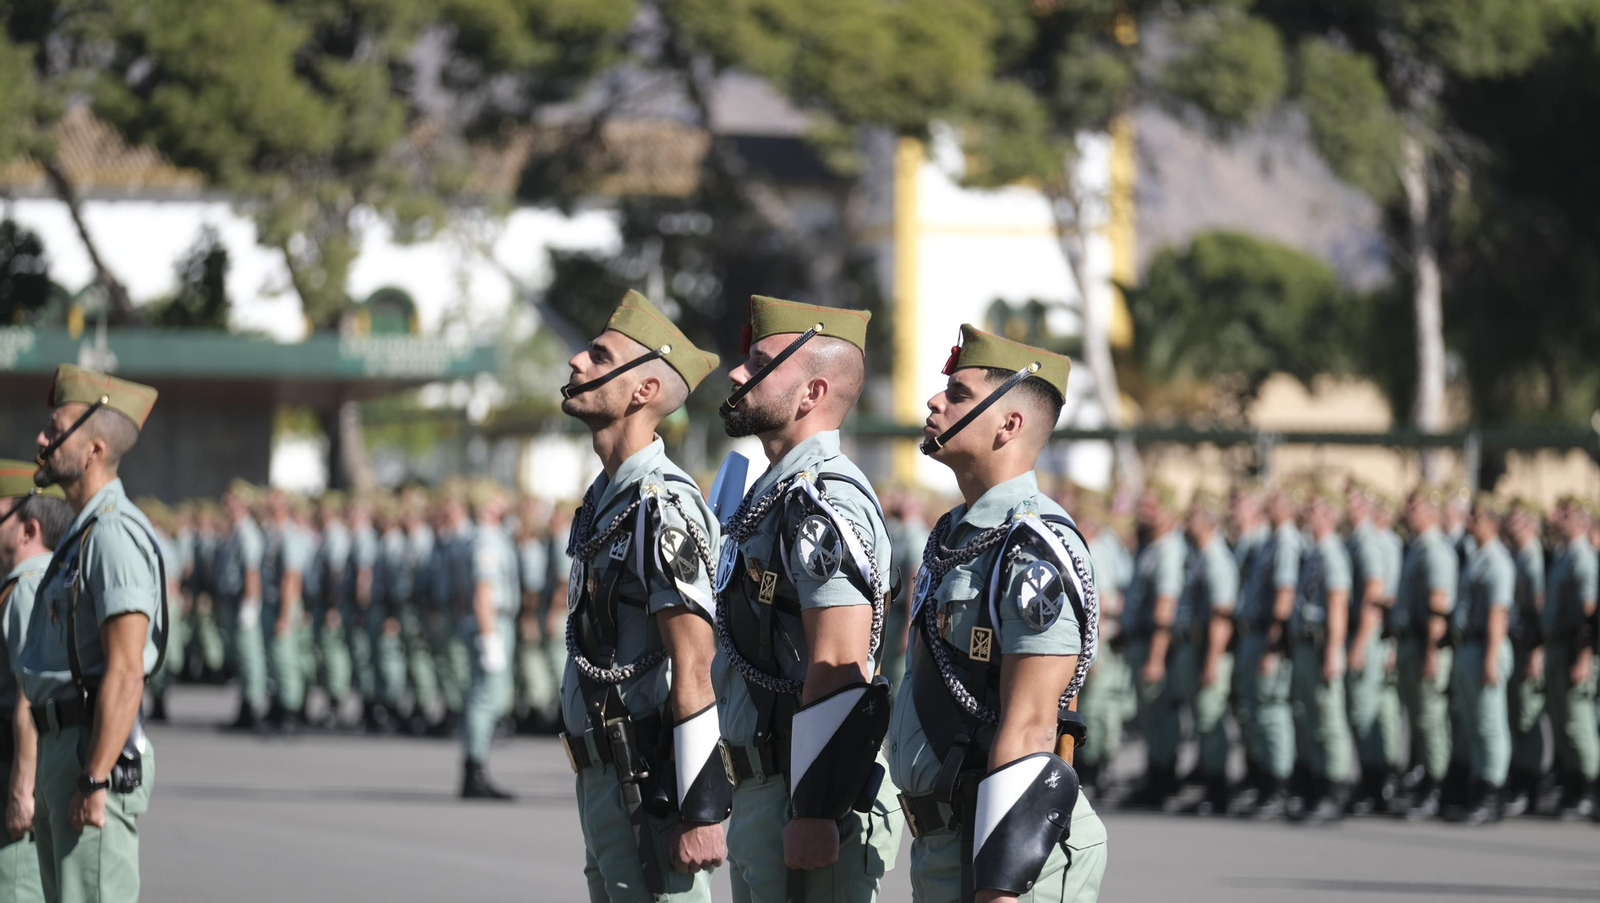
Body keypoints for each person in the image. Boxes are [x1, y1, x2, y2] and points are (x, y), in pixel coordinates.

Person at [890, 323, 1106, 903]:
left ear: (1008, 424)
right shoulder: (956, 531)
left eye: (958, 395)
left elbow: (1034, 722)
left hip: (1005, 852)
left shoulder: (1033, 546)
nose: (934, 401)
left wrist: (1001, 882)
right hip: (948, 841)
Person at [713, 295, 902, 902]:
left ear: (812, 392)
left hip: (803, 790)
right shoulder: (775, 492)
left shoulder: (824, 500)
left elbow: (838, 661)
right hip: (765, 790)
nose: (738, 373)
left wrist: (815, 809)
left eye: (761, 363)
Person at [558, 290, 728, 901]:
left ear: (643, 390)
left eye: (600, 357)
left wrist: (700, 807)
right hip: (603, 778)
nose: (577, 361)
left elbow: (695, 660)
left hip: (645, 781)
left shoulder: (662, 504)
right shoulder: (606, 498)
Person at [18, 364, 167, 901]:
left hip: (90, 750)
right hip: (63, 745)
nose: (42, 439)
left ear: (94, 450)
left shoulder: (112, 535)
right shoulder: (81, 535)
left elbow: (126, 671)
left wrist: (96, 777)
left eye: (56, 430)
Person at [0, 461, 72, 903]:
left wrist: (21, 789)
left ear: (29, 530)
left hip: (17, 762)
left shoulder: (27, 587)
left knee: (15, 884)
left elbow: (30, 694)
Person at [1231, 487, 1303, 818]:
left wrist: (1273, 645)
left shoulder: (1286, 540)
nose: (1265, 508)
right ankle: (1263, 782)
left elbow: (1284, 595)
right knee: (1256, 713)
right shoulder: (1271, 540)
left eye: (1272, 502)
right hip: (1253, 635)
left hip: (1266, 637)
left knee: (1272, 713)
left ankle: (1280, 786)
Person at [1392, 488, 1459, 820]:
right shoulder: (1417, 547)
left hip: (1425, 646)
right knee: (1419, 720)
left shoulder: (1434, 550)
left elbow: (1438, 607)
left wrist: (1432, 652)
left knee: (1432, 721)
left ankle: (1438, 788)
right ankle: (1425, 782)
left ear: (1431, 510)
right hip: (1412, 643)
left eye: (1414, 506)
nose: (1407, 511)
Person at [1286, 488, 1352, 823]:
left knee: (1328, 721)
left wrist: (1333, 652)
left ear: (1329, 515)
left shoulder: (1331, 553)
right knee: (1310, 719)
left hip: (1321, 645)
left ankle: (1334, 789)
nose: (1305, 513)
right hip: (1305, 645)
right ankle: (1315, 787)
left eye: (1313, 508)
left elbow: (1338, 605)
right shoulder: (1313, 551)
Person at [1449, 495, 1515, 824]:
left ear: (1490, 521)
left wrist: (1491, 658)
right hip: (1469, 646)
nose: (1468, 522)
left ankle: (1493, 791)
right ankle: (1477, 787)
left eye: (1474, 517)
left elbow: (1498, 614)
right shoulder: (1477, 557)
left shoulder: (1497, 561)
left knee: (1490, 724)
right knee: (1473, 725)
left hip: (1486, 647)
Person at [1120, 486, 1186, 809]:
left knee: (1161, 717)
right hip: (1139, 641)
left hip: (1153, 645)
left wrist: (1156, 658)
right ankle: (1155, 776)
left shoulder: (1169, 550)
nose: (1144, 513)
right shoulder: (1151, 546)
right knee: (1150, 717)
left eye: (1152, 507)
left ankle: (1164, 780)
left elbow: (1165, 607)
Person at [1173, 492, 1238, 816]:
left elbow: (1220, 616)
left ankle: (1218, 791)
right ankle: (1208, 786)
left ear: (1209, 523)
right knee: (1201, 718)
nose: (1187, 522)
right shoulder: (1200, 555)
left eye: (1193, 517)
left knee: (1211, 718)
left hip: (1208, 651)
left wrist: (1212, 661)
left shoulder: (1216, 559)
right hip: (1194, 647)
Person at [457, 482, 520, 798]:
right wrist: (489, 636)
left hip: (493, 620)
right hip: (492, 621)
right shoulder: (486, 539)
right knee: (485, 698)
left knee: (487, 696)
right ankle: (475, 770)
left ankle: (476, 766)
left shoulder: (484, 536)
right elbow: (483, 591)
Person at [1540, 499, 1597, 819]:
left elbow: (1588, 617)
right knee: (1563, 723)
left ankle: (1589, 788)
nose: (1555, 518)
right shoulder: (1564, 555)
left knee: (1578, 724)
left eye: (1564, 514)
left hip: (1574, 649)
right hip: (1558, 647)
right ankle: (1573, 784)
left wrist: (1584, 657)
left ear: (1578, 521)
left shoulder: (1583, 558)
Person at [1072, 494, 1130, 798]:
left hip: (1099, 641)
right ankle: (1094, 768)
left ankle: (1096, 770)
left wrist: (1094, 651)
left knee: (1096, 709)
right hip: (1094, 640)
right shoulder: (1092, 546)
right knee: (1096, 708)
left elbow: (1103, 604)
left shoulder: (1096, 550)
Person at [1343, 484, 1396, 815]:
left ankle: (1376, 786)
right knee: (1366, 711)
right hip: (1367, 635)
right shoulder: (1358, 539)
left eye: (1351, 501)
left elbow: (1374, 595)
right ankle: (1372, 781)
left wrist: (1361, 643)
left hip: (1368, 635)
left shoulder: (1366, 540)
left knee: (1365, 713)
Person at [1502, 500, 1546, 817]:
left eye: (1517, 521)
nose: (1510, 526)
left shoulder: (1533, 559)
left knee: (1528, 717)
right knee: (1516, 715)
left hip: (1530, 646)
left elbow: (1540, 612)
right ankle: (1519, 780)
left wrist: (1537, 651)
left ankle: (1531, 786)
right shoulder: (1517, 555)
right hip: (1517, 644)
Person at [261, 489, 313, 732]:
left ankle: (291, 711)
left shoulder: (290, 534)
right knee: (274, 658)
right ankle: (278, 707)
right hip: (273, 603)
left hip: (285, 604)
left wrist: (285, 615)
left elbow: (291, 578)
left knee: (286, 659)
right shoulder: (274, 533)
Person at [217, 481, 266, 730]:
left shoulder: (247, 532)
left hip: (242, 601)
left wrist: (250, 604)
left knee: (249, 656)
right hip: (232, 601)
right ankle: (244, 708)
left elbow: (251, 572)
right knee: (240, 656)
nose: (228, 505)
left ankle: (253, 707)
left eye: (233, 501)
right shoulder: (235, 531)